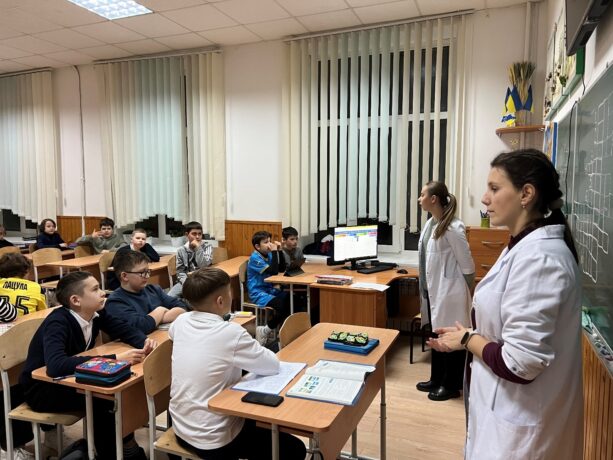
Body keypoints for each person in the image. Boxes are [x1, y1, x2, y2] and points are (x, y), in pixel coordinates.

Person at [428, 149, 583, 460]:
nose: (485, 198)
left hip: (523, 432)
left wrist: (469, 339)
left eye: (494, 188)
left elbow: (520, 363)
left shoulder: (541, 259)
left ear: (526, 194)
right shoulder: (522, 246)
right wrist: (468, 336)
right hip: (505, 413)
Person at [169, 267, 306, 459]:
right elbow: (272, 365)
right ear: (220, 301)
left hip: (180, 427)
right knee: (295, 448)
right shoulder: (231, 333)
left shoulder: (180, 322)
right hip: (214, 439)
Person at [20, 271, 157, 459]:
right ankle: (113, 453)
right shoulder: (58, 322)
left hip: (72, 379)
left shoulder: (96, 313)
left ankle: (124, 448)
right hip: (42, 389)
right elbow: (56, 366)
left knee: (119, 393)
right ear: (76, 300)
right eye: (95, 289)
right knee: (105, 399)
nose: (103, 292)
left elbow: (123, 329)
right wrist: (115, 358)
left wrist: (145, 342)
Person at [415, 181, 474, 401]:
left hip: (451, 292)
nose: (419, 199)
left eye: (422, 195)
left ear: (434, 199)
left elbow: (467, 266)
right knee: (436, 335)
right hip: (435, 291)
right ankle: (436, 378)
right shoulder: (431, 224)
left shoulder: (453, 227)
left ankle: (451, 385)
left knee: (450, 339)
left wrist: (464, 292)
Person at [105, 250, 187, 334]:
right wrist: (160, 310)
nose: (147, 276)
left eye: (148, 271)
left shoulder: (154, 289)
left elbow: (182, 307)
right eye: (142, 272)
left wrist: (157, 319)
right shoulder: (115, 302)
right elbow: (140, 327)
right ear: (124, 276)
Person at [247, 231, 289, 346]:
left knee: (292, 299)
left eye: (270, 241)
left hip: (270, 289)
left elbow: (281, 269)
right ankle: (265, 330)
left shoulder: (269, 254)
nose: (269, 244)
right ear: (257, 246)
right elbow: (273, 271)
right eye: (266, 242)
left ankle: (285, 332)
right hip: (258, 293)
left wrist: (279, 251)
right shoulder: (255, 258)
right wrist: (274, 251)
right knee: (282, 305)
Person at [168, 221, 213, 298]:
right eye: (194, 234)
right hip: (186, 281)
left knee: (196, 298)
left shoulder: (207, 247)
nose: (197, 237)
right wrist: (187, 284)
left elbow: (203, 265)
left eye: (200, 234)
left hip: (203, 280)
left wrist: (198, 248)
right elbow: (180, 272)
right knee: (169, 297)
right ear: (187, 235)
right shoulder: (181, 250)